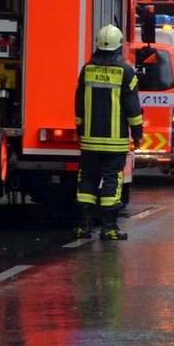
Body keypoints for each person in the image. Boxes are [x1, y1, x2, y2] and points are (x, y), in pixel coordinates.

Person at [73, 24, 144, 240]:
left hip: (89, 140)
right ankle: (109, 228)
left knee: (87, 180)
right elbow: (132, 107)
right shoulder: (126, 71)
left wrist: (80, 130)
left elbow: (78, 104)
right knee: (112, 180)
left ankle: (83, 227)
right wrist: (138, 133)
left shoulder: (87, 69)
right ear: (119, 45)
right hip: (114, 142)